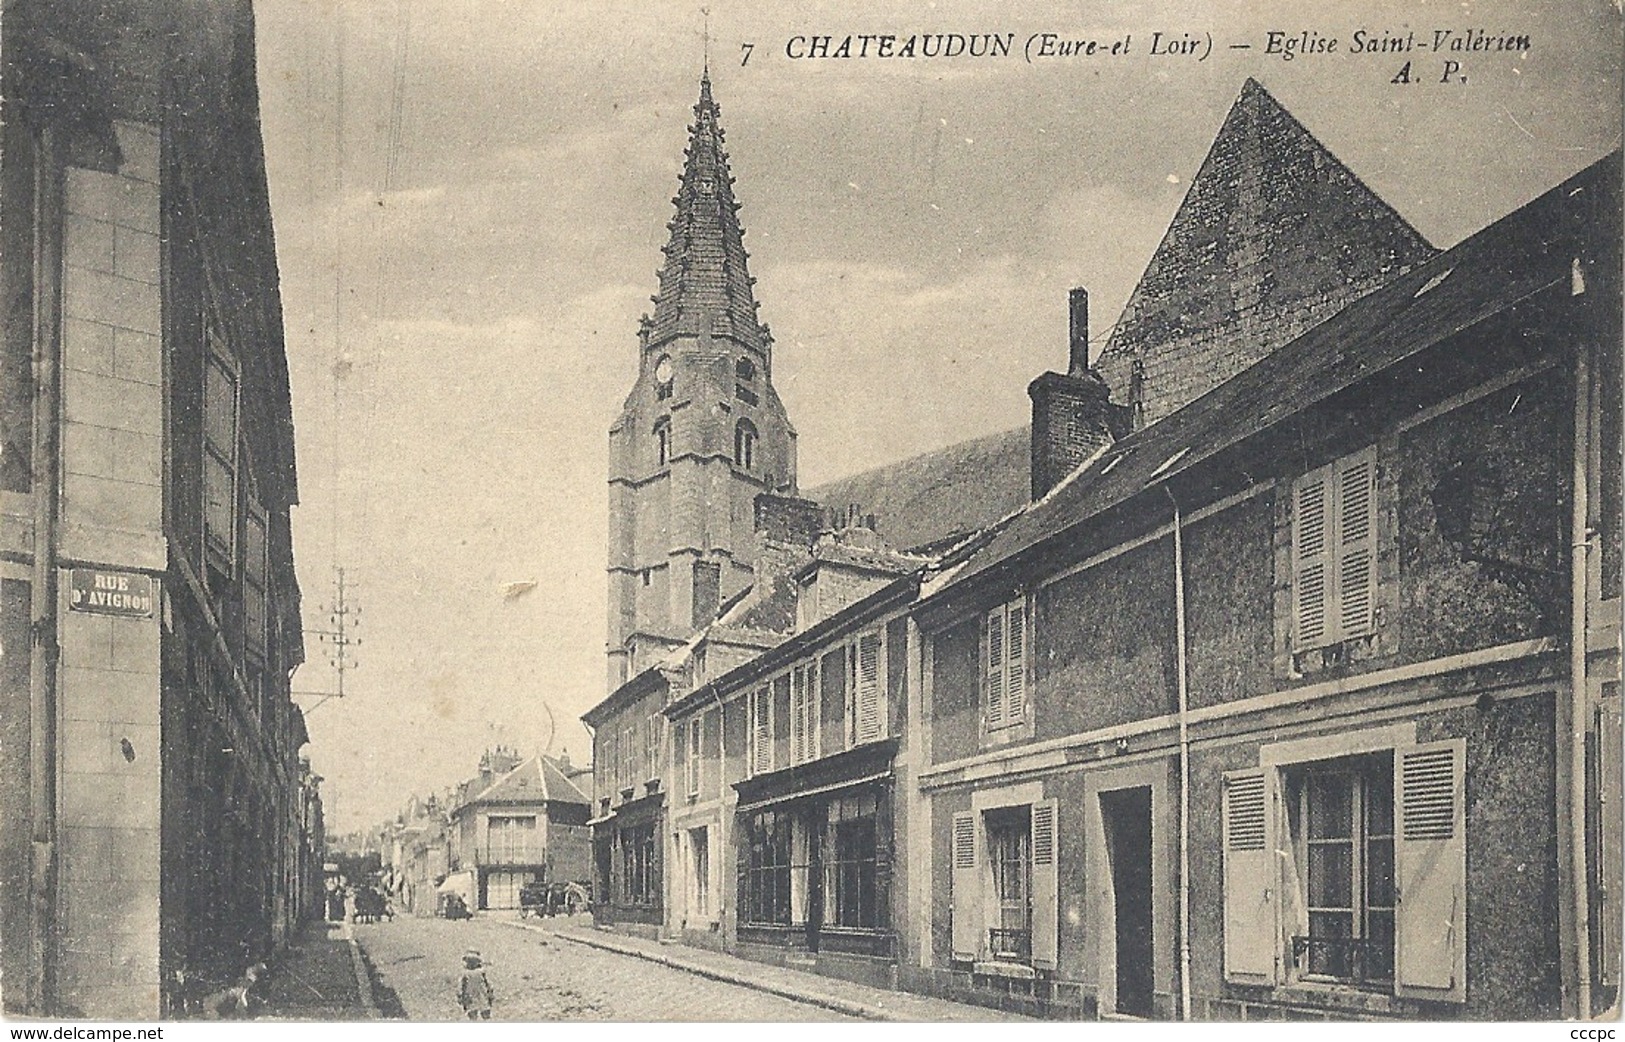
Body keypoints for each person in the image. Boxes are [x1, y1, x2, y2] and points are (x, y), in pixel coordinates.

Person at [458, 950, 494, 1020]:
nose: (471, 964)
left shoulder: (481, 972)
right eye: (470, 961)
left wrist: (490, 991)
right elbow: (462, 985)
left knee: (485, 1013)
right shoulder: (465, 973)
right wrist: (461, 995)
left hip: (481, 994)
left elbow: (487, 982)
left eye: (473, 961)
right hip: (471, 995)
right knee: (473, 1013)